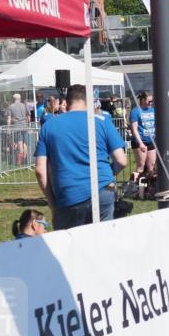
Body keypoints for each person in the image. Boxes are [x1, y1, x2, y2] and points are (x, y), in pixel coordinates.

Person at [34, 84, 128, 230]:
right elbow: (121, 160)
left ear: (67, 102)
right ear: (88, 101)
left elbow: (40, 170)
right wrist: (105, 176)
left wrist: (52, 203)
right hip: (103, 189)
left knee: (70, 247)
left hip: (69, 194)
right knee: (102, 241)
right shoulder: (102, 121)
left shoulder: (49, 125)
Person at [130, 91, 157, 177]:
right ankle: (136, 187)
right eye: (149, 101)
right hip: (140, 141)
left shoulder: (153, 110)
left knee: (151, 166)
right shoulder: (135, 111)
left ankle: (149, 188)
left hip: (151, 140)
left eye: (152, 101)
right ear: (142, 100)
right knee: (141, 165)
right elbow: (134, 129)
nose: (150, 103)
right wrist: (140, 143)